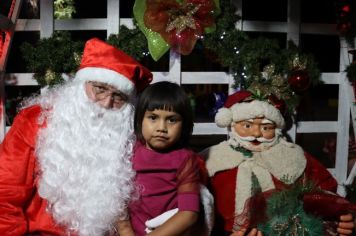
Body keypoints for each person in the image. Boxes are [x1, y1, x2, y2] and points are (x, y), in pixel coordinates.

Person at [0, 38, 152, 235]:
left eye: (118, 97)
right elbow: (4, 194)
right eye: (100, 89)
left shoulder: (131, 134)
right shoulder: (34, 120)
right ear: (81, 85)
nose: (106, 103)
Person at [201, 90, 355, 236]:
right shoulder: (212, 158)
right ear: (232, 124)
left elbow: (324, 191)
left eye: (266, 127)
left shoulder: (293, 156)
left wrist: (335, 218)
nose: (256, 134)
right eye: (247, 125)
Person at [117, 81, 204, 236]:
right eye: (153, 117)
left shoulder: (185, 159)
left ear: (183, 125)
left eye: (172, 120)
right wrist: (125, 231)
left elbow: (189, 213)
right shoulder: (128, 151)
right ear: (139, 120)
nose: (161, 128)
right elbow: (115, 199)